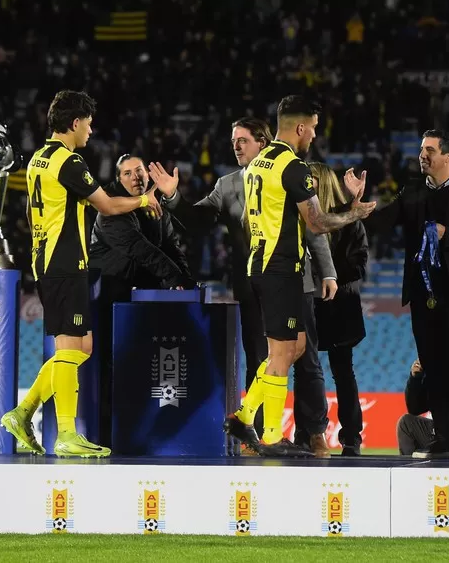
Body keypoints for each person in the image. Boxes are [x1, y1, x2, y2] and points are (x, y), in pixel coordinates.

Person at [151, 117, 339, 458]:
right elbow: (197, 223)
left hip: (297, 278)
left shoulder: (286, 171)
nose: (236, 146)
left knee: (303, 356)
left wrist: (328, 272)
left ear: (263, 141)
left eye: (243, 140)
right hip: (256, 283)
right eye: (233, 140)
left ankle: (311, 433)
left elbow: (313, 228)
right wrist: (173, 197)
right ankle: (262, 433)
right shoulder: (227, 185)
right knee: (264, 357)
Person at [0, 90, 161, 458]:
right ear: (75, 123)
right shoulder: (68, 162)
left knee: (81, 347)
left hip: (49, 259)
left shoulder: (38, 159)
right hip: (63, 263)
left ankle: (23, 413)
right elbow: (105, 204)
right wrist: (142, 200)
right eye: (88, 124)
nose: (90, 131)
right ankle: (66, 434)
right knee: (71, 348)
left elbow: (28, 213)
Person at [216, 95, 375, 456]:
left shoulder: (259, 163)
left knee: (296, 346)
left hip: (260, 265)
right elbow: (316, 222)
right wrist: (353, 213)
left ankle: (244, 417)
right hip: (280, 270)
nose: (314, 137)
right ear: (300, 128)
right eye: (314, 129)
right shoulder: (292, 167)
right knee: (282, 352)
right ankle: (270, 435)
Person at [365, 129, 449, 460]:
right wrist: (356, 208)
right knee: (434, 367)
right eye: (422, 149)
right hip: (424, 296)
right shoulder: (411, 192)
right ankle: (441, 436)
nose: (422, 155)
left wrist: (447, 234)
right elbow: (383, 222)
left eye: (429, 150)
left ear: (448, 156)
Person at [88, 154, 194, 446]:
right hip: (109, 300)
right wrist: (175, 279)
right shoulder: (110, 206)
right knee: (111, 365)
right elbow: (140, 249)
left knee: (143, 364)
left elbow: (172, 246)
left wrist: (186, 283)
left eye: (139, 171)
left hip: (140, 300)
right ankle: (107, 435)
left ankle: (143, 433)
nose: (135, 177)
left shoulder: (156, 204)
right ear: (118, 179)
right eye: (127, 173)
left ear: (148, 174)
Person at [308, 162, 369, 456]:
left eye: (312, 180)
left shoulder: (350, 220)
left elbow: (359, 264)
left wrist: (327, 277)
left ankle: (351, 438)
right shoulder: (301, 217)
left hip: (340, 307)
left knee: (343, 372)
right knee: (306, 372)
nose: (306, 186)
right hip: (308, 305)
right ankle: (308, 433)